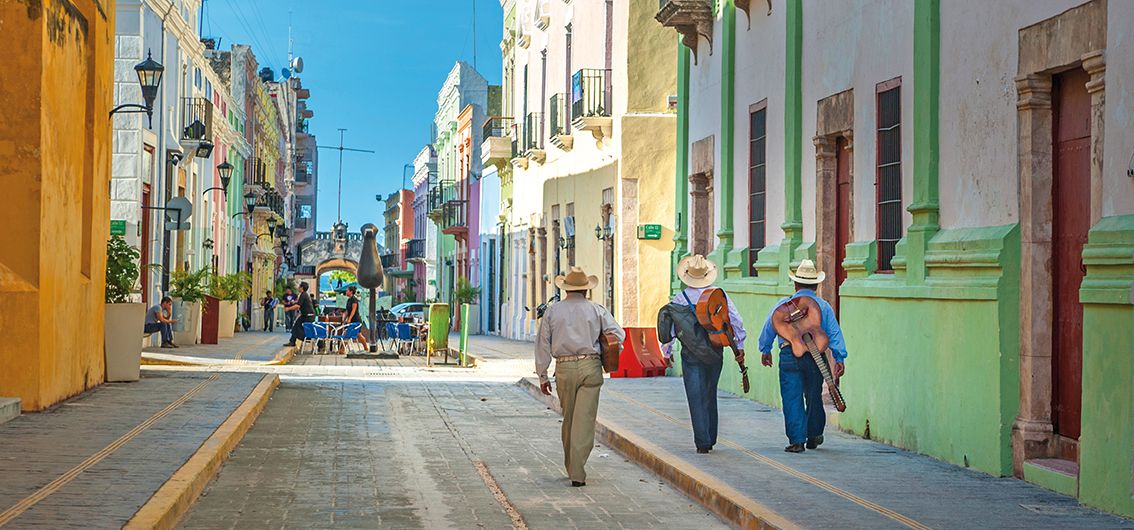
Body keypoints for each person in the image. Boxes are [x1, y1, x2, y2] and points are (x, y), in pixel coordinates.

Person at [535, 266, 625, 487]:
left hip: (564, 369)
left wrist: (543, 375)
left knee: (569, 418)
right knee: (584, 420)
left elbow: (543, 344)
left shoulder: (553, 311)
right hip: (590, 366)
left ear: (566, 289)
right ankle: (577, 470)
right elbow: (618, 335)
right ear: (586, 290)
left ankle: (571, 466)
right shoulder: (597, 310)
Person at [657, 255, 747, 454]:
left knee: (695, 395)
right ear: (707, 275)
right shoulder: (717, 295)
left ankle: (702, 441)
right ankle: (711, 436)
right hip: (715, 349)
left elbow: (671, 328)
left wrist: (667, 351)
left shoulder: (680, 299)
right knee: (709, 392)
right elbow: (735, 320)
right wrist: (739, 346)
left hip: (691, 353)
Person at [757, 259, 848, 453]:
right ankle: (814, 435)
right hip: (816, 357)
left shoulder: (783, 305)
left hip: (790, 355)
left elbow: (769, 327)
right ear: (815, 285)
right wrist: (839, 358)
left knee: (792, 397)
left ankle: (797, 441)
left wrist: (765, 349)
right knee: (814, 395)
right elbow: (834, 333)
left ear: (796, 284)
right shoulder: (822, 306)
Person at [284, 282, 316, 347]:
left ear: (302, 288)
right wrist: (294, 302)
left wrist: (288, 308)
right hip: (305, 315)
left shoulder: (303, 294)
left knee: (310, 330)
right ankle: (292, 341)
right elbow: (299, 302)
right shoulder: (304, 294)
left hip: (308, 316)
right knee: (296, 326)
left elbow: (298, 306)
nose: (298, 288)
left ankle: (320, 344)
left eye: (299, 287)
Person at [343, 285, 369, 351]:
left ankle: (366, 347)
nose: (346, 292)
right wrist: (344, 318)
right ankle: (342, 349)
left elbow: (353, 310)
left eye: (347, 291)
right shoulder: (349, 300)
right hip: (351, 320)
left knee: (358, 334)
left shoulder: (354, 300)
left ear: (351, 292)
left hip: (355, 320)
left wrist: (349, 319)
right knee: (349, 334)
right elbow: (347, 310)